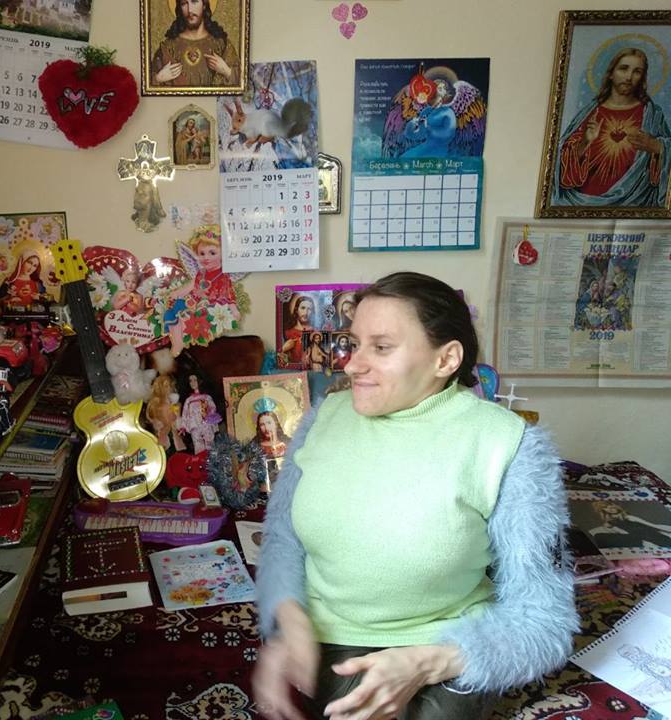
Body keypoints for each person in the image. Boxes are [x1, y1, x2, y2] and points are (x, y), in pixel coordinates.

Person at [253, 271, 577, 720]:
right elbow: (282, 539)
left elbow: (545, 619)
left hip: (444, 648)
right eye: (354, 343)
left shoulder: (508, 445)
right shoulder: (323, 418)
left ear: (446, 360)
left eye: (382, 347)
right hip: (329, 641)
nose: (352, 365)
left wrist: (430, 662)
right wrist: (287, 618)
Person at [556, 47, 671, 208]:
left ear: (642, 78)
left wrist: (657, 146)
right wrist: (585, 142)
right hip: (584, 204)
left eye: (637, 72)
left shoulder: (652, 115)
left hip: (637, 204)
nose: (629, 77)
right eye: (623, 68)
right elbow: (559, 167)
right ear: (611, 73)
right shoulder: (590, 113)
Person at [164, 225, 239, 353]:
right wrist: (176, 293)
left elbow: (229, 294)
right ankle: (177, 342)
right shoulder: (201, 273)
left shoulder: (223, 275)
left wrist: (234, 309)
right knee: (171, 311)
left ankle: (185, 339)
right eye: (202, 253)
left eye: (212, 253)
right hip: (194, 303)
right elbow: (190, 287)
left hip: (211, 307)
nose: (206, 258)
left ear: (223, 254)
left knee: (187, 315)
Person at [151, 0, 239, 88]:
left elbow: (241, 81)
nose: (190, 10)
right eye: (184, 3)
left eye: (194, 1)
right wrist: (158, 78)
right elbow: (148, 82)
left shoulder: (221, 44)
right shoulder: (168, 47)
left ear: (204, 5)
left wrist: (226, 71)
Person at [177, 373, 219, 455]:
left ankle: (213, 460)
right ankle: (200, 460)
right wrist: (183, 426)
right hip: (194, 426)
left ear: (200, 381)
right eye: (190, 381)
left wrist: (210, 414)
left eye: (195, 380)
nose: (192, 383)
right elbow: (185, 413)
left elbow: (213, 407)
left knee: (210, 444)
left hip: (206, 424)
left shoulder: (206, 397)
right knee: (198, 446)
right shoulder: (189, 400)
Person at [281, 295, 316, 364]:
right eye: (303, 308)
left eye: (309, 309)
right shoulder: (288, 332)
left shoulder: (316, 332)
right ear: (296, 310)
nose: (306, 313)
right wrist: (284, 348)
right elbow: (283, 361)